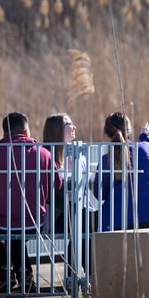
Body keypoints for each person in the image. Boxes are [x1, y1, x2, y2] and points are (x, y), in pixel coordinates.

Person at [0, 111, 61, 293]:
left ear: (4, 134)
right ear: (26, 132)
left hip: (3, 222)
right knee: (16, 232)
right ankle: (25, 277)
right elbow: (57, 185)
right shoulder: (44, 154)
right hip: (36, 221)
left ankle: (5, 274)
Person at [95, 112, 149, 231]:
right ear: (129, 132)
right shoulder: (145, 148)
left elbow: (99, 193)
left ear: (106, 134)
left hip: (119, 218)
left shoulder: (106, 159)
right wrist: (145, 136)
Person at [42, 113, 95, 279]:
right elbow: (52, 187)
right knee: (87, 221)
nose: (74, 127)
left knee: (87, 221)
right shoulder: (45, 157)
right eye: (69, 124)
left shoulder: (78, 155)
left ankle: (77, 275)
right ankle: (89, 275)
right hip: (55, 216)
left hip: (77, 212)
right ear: (57, 130)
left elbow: (88, 180)